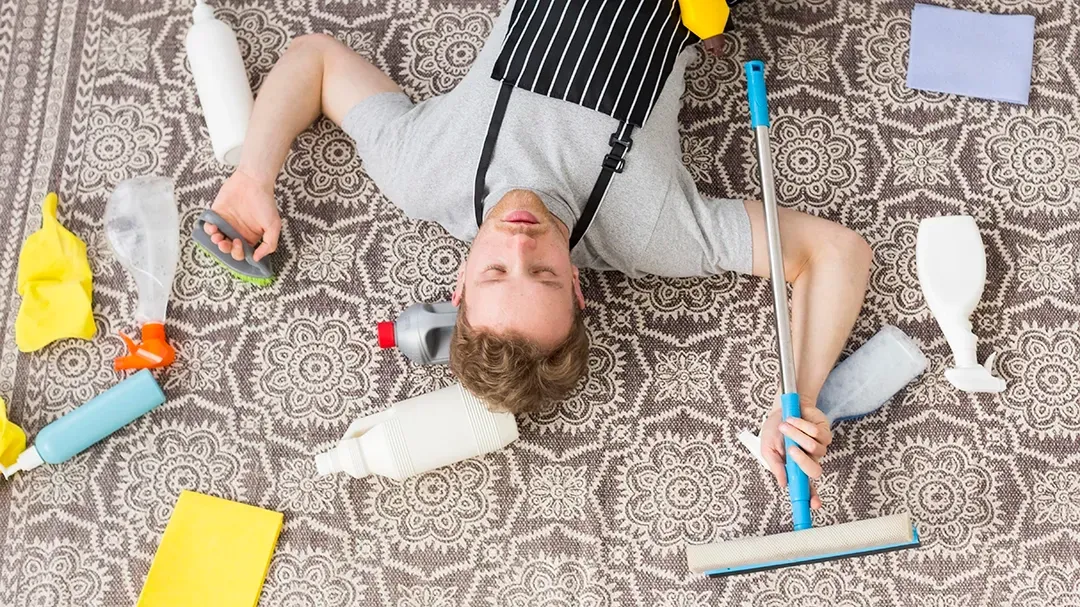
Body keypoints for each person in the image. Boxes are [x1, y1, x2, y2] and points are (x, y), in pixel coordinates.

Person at [203, 0, 871, 508]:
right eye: (544, 272)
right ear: (580, 287)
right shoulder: (651, 234)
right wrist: (797, 396)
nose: (520, 239)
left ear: (459, 285)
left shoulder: (422, 171)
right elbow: (835, 253)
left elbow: (314, 60)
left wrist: (254, 176)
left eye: (496, 269)